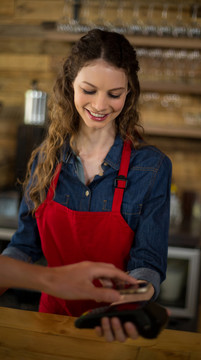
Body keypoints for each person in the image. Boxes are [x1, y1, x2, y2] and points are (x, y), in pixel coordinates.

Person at [1, 29, 172, 342]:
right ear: (70, 86)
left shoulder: (152, 166)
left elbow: (147, 262)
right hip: (49, 324)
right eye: (89, 90)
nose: (100, 104)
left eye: (114, 94)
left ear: (129, 93)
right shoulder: (45, 158)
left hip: (114, 326)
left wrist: (133, 299)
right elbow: (25, 246)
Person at [0, 256, 137, 303]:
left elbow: (146, 263)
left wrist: (133, 296)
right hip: (52, 315)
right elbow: (23, 245)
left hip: (114, 318)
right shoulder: (36, 190)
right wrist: (52, 279)